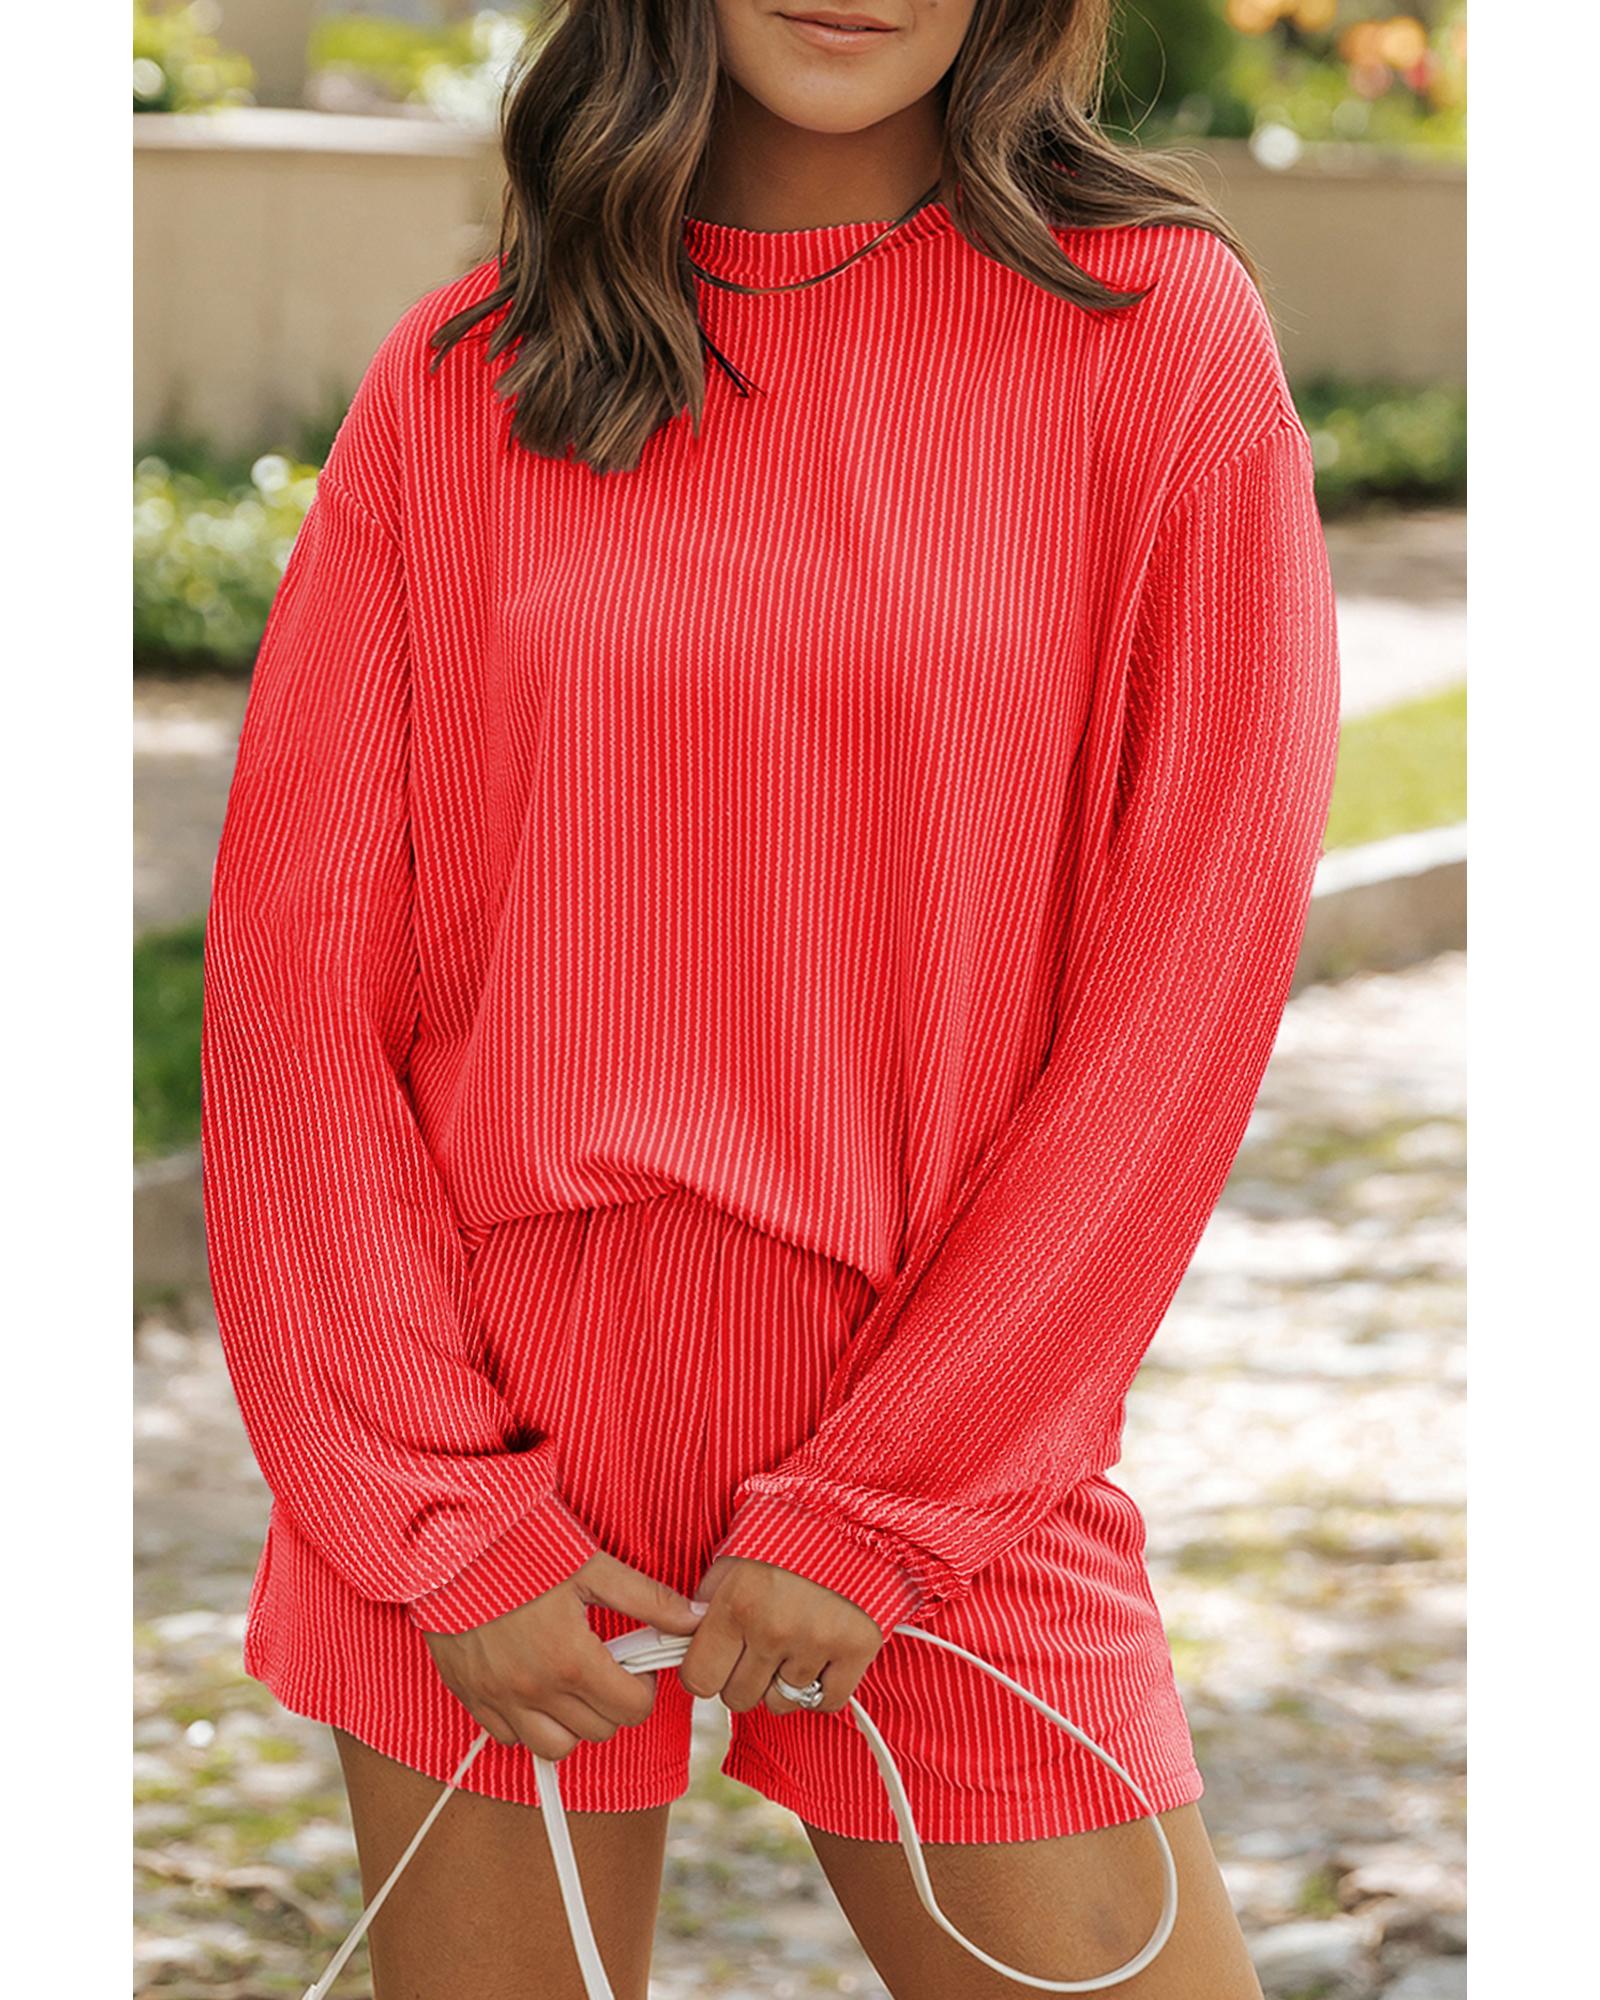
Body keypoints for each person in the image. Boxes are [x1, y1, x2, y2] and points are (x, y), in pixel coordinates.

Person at [199, 3, 1341, 1994]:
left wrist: (889, 1497)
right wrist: (439, 1514)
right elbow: (298, 982)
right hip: (495, 1435)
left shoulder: (1149, 338)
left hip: (946, 1445)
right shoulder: (468, 373)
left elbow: (1187, 973)